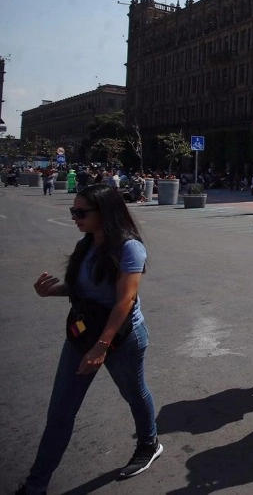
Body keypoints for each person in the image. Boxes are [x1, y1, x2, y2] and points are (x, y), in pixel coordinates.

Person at [18, 184, 161, 493]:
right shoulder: (86, 244)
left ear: (104, 212)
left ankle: (148, 443)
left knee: (134, 393)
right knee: (60, 412)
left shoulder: (129, 248)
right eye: (73, 211)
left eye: (80, 212)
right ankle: (35, 485)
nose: (74, 217)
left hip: (121, 339)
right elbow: (84, 289)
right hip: (83, 336)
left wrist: (102, 346)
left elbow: (124, 301)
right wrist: (51, 291)